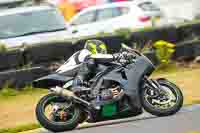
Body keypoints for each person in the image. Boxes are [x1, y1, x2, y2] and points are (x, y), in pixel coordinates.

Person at [72, 39, 142, 114]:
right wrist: (116, 56)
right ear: (94, 48)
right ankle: (77, 85)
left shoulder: (93, 61)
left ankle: (103, 101)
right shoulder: (84, 52)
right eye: (101, 51)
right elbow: (95, 58)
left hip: (81, 79)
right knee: (90, 61)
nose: (103, 53)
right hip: (70, 75)